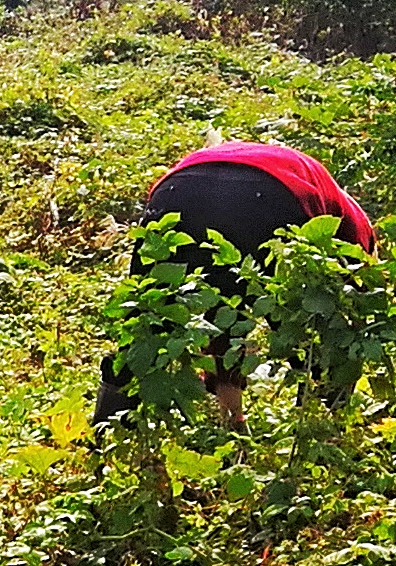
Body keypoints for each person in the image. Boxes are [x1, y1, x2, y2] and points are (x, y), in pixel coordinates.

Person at [93, 141, 379, 427]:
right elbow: (349, 305)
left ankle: (112, 429)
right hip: (268, 195)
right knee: (318, 335)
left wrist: (232, 415)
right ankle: (322, 428)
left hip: (177, 191)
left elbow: (225, 311)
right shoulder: (357, 227)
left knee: (148, 316)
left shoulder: (318, 184)